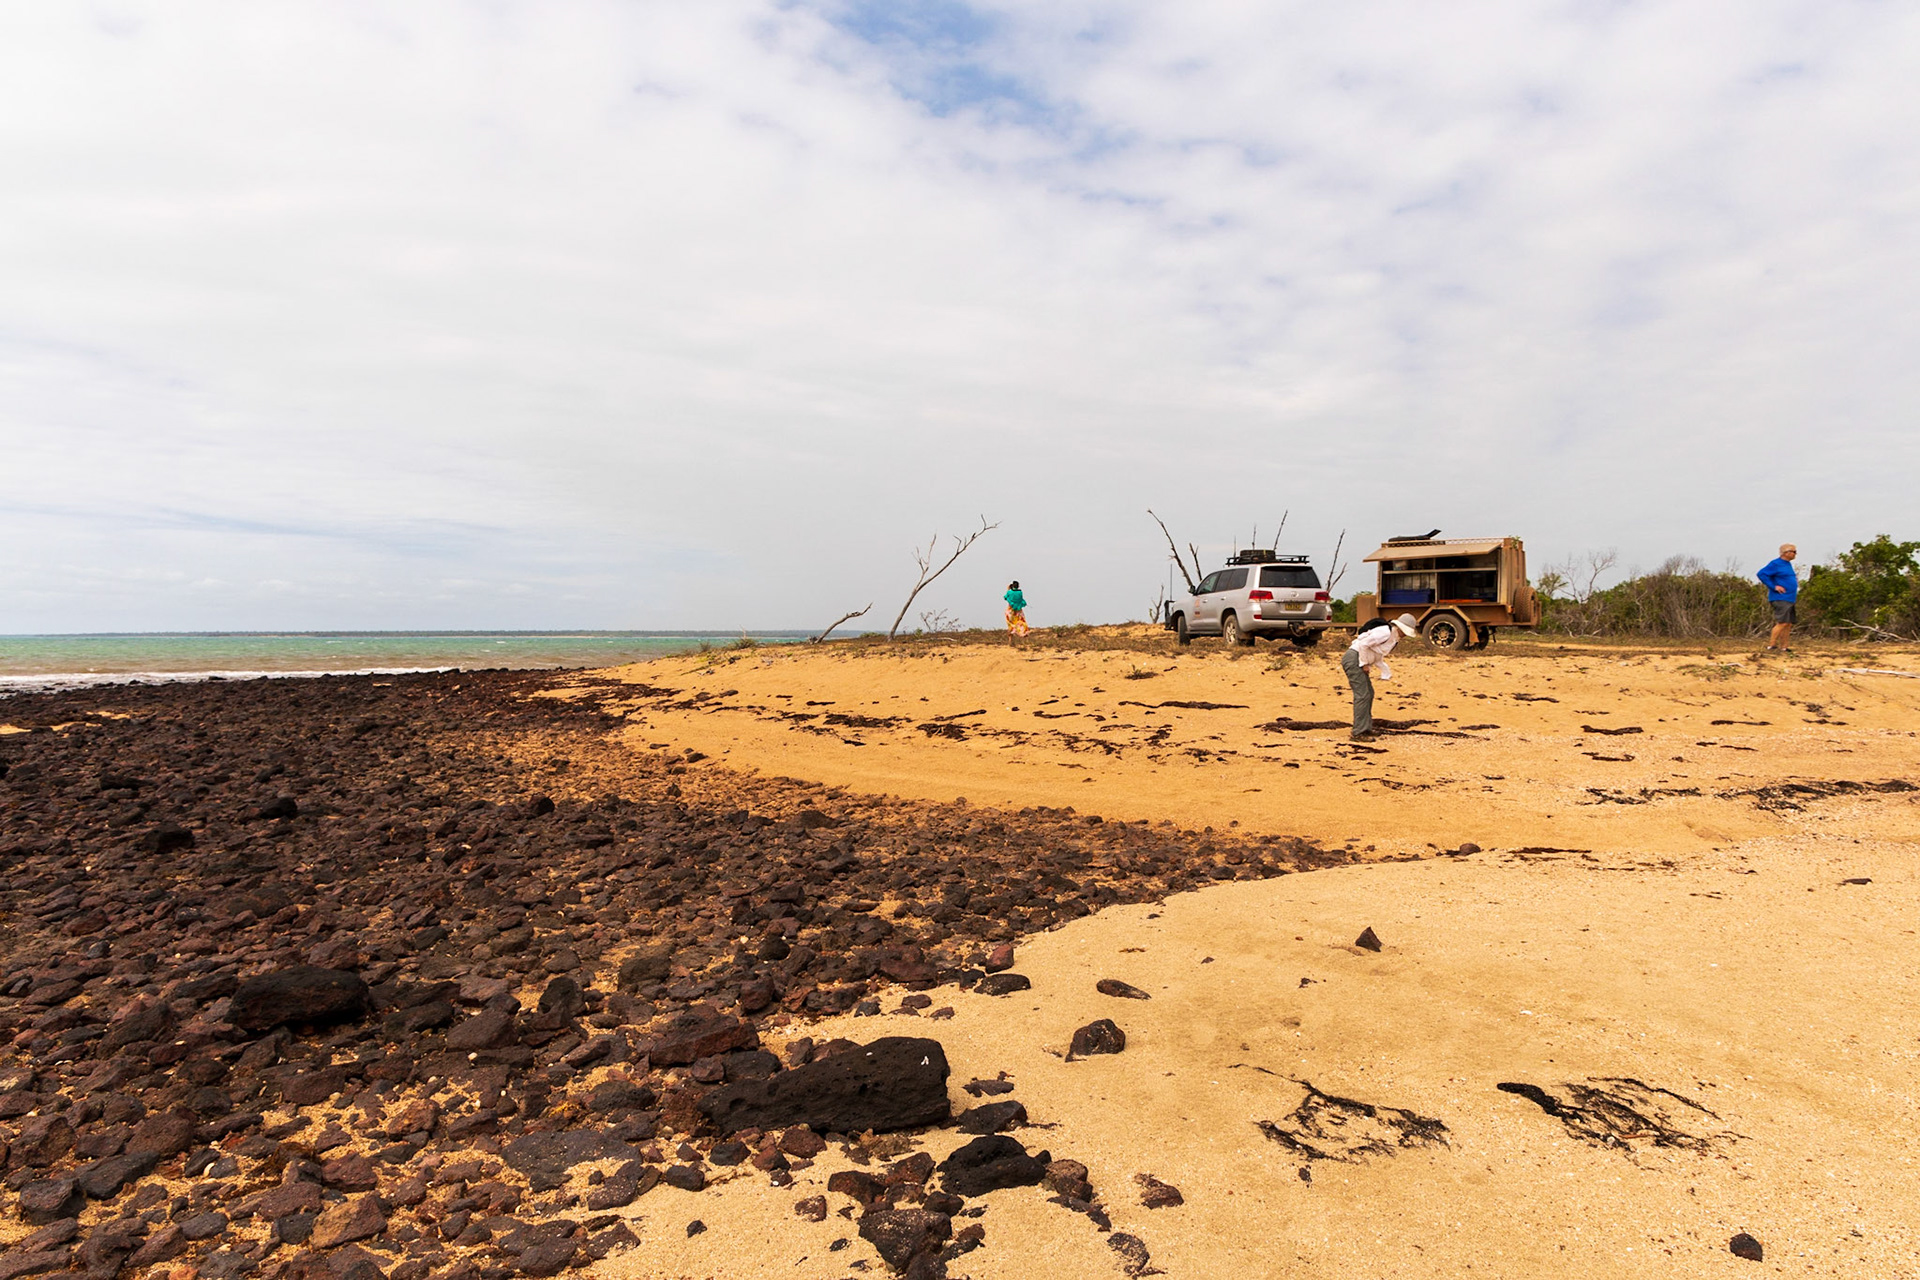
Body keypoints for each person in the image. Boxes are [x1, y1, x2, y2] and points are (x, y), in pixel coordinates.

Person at [1342, 613, 1419, 740]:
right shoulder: (1385, 632)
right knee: (1362, 695)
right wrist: (1364, 664)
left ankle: (1365, 728)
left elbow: (1377, 655)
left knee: (1369, 693)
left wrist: (1384, 671)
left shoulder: (1393, 638)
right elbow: (1363, 644)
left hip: (1358, 660)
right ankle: (1358, 732)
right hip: (1354, 659)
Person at [1756, 543, 1799, 652]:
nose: (1795, 554)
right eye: (1793, 551)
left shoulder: (1787, 564)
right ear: (1786, 553)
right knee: (1782, 622)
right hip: (1780, 598)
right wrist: (1774, 586)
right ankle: (1771, 645)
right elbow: (1761, 574)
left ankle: (1784, 647)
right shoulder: (1776, 563)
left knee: (1788, 623)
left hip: (1790, 598)